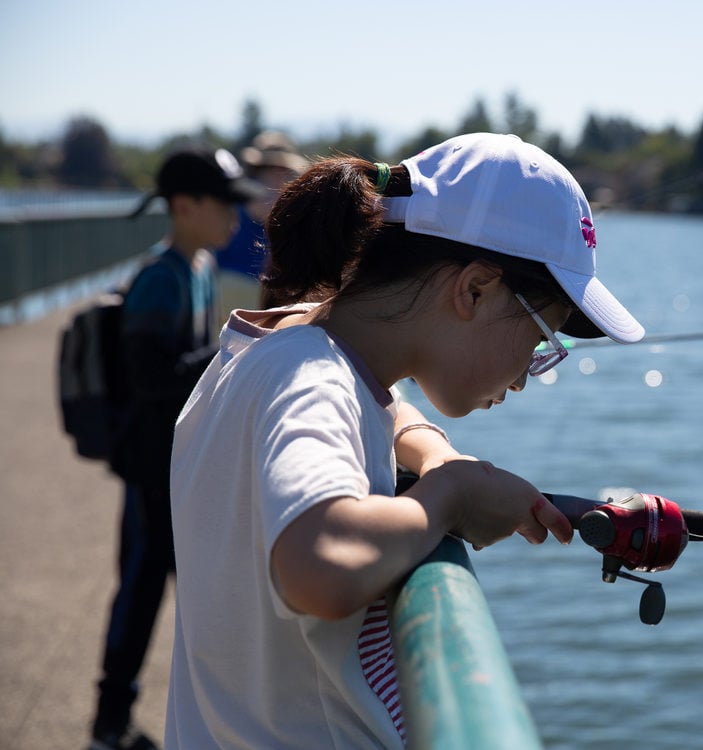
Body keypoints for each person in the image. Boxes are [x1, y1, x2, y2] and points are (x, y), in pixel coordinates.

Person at [165, 132, 646, 749]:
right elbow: (320, 566)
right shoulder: (312, 382)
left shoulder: (290, 346)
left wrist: (438, 456)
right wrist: (446, 497)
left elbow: (388, 412)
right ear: (473, 289)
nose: (530, 373)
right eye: (542, 338)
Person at [90, 146, 264, 750]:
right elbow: (152, 378)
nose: (237, 220)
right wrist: (232, 349)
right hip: (147, 468)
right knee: (140, 589)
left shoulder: (197, 268)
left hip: (170, 463)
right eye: (226, 206)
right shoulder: (161, 278)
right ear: (184, 207)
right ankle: (109, 725)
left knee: (173, 587)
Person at [214, 130, 309, 317]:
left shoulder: (294, 224)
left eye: (284, 171)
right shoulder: (231, 215)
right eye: (270, 169)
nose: (278, 178)